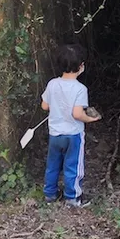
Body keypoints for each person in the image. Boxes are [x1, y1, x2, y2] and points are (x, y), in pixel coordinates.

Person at [41, 43, 100, 207]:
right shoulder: (80, 89)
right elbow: (77, 114)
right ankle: (73, 197)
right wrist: (90, 119)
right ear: (81, 66)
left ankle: (50, 195)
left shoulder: (52, 84)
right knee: (72, 166)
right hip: (73, 135)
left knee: (52, 165)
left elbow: (45, 106)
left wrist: (58, 105)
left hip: (55, 134)